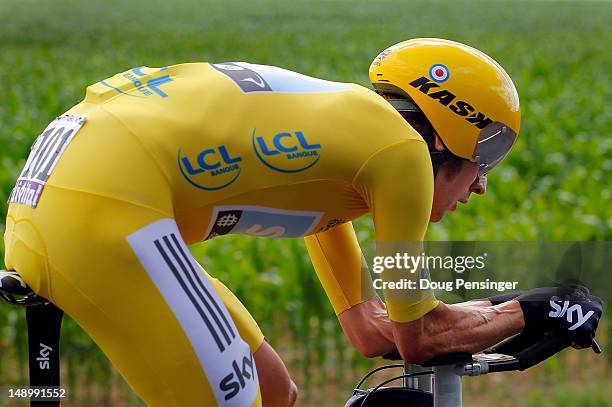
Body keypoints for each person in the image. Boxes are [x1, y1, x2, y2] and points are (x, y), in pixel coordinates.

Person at [3, 38, 601, 407]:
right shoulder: (400, 155)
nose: (481, 184)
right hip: (106, 204)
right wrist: (534, 308)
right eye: (489, 154)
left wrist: (494, 312)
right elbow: (420, 336)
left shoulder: (336, 160)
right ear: (452, 131)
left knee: (273, 393)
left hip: (64, 191)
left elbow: (371, 334)